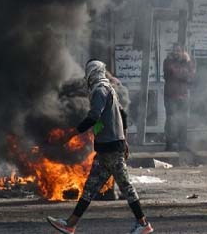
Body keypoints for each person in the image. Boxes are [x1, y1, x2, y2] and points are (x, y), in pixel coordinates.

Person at [46, 59, 153, 234]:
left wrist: (71, 134)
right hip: (107, 148)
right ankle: (70, 224)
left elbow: (93, 116)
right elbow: (123, 114)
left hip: (110, 148)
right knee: (90, 188)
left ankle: (143, 224)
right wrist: (124, 139)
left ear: (91, 73)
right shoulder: (108, 88)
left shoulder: (99, 90)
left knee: (126, 187)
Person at [163, 43, 196, 151]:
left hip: (184, 95)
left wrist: (188, 62)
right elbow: (173, 72)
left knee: (183, 120)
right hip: (170, 96)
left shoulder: (188, 62)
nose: (176, 53)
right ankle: (169, 145)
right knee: (171, 121)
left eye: (178, 51)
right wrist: (184, 73)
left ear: (183, 52)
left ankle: (182, 144)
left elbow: (191, 76)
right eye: (174, 50)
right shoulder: (167, 61)